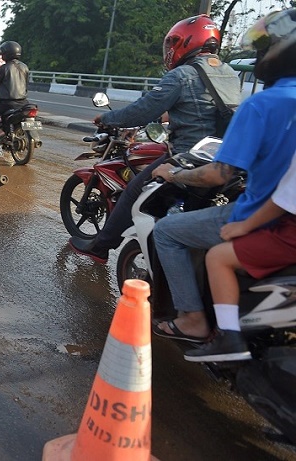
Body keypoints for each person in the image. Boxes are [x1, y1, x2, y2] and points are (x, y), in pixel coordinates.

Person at [150, 8, 296, 343]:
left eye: (265, 47)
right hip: (284, 213)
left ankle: (192, 318)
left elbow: (219, 173)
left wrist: (174, 175)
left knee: (167, 231)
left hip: (258, 211)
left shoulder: (262, 104)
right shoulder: (228, 75)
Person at [68, 15, 241, 263]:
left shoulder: (182, 75)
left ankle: (100, 247)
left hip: (187, 156)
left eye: (173, 42)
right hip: (222, 155)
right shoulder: (228, 73)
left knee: (133, 191)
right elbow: (202, 109)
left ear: (187, 42)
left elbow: (142, 109)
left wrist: (108, 118)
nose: (170, 50)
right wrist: (162, 118)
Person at [185, 151, 296, 362]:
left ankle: (228, 336)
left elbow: (283, 201)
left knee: (218, 257)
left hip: (290, 235)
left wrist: (245, 226)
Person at [0, 41, 29, 138]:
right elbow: (26, 84)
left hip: (7, 104)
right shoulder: (25, 67)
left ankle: (0, 132)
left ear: (6, 53)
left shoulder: (3, 69)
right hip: (24, 102)